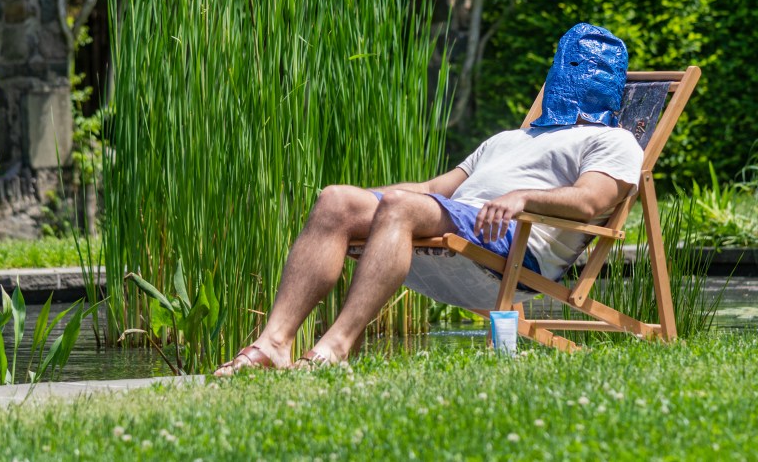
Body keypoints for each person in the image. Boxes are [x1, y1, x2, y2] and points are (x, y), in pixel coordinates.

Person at [214, 23, 643, 373]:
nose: (572, 74)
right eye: (568, 63)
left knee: (400, 207)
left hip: (515, 246)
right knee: (335, 200)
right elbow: (435, 191)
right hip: (459, 221)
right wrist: (363, 199)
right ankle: (273, 344)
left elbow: (590, 201)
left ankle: (335, 348)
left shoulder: (614, 140)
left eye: (586, 67)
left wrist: (521, 198)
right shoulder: (510, 138)